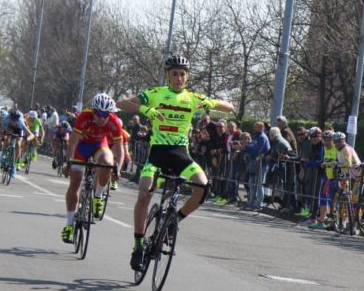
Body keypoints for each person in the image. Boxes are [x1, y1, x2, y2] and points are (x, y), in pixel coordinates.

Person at [115, 54, 235, 269]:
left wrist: (210, 103)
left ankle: (174, 222)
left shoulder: (192, 97)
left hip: (181, 155)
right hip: (157, 154)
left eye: (182, 74)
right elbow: (121, 103)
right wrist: (146, 109)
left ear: (186, 77)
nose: (178, 78)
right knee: (144, 194)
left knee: (203, 188)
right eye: (174, 74)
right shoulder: (155, 93)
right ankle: (138, 246)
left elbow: (230, 106)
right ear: (168, 76)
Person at [59, 94, 124, 242]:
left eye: (105, 114)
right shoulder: (84, 116)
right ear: (93, 111)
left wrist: (118, 169)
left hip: (99, 145)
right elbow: (73, 143)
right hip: (81, 146)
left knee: (107, 164)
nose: (101, 118)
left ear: (110, 114)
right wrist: (68, 162)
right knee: (76, 180)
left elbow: (120, 150)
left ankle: (98, 196)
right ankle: (69, 225)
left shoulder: (114, 121)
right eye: (98, 113)